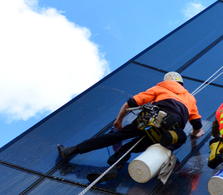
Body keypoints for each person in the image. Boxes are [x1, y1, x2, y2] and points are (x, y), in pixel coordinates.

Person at [57, 72, 203, 180]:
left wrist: (119, 120)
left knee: (114, 138)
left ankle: (71, 150)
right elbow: (196, 123)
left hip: (149, 121)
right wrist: (196, 133)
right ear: (182, 84)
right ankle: (113, 169)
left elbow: (130, 104)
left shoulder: (160, 88)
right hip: (169, 131)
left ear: (166, 81)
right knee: (130, 147)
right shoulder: (190, 98)